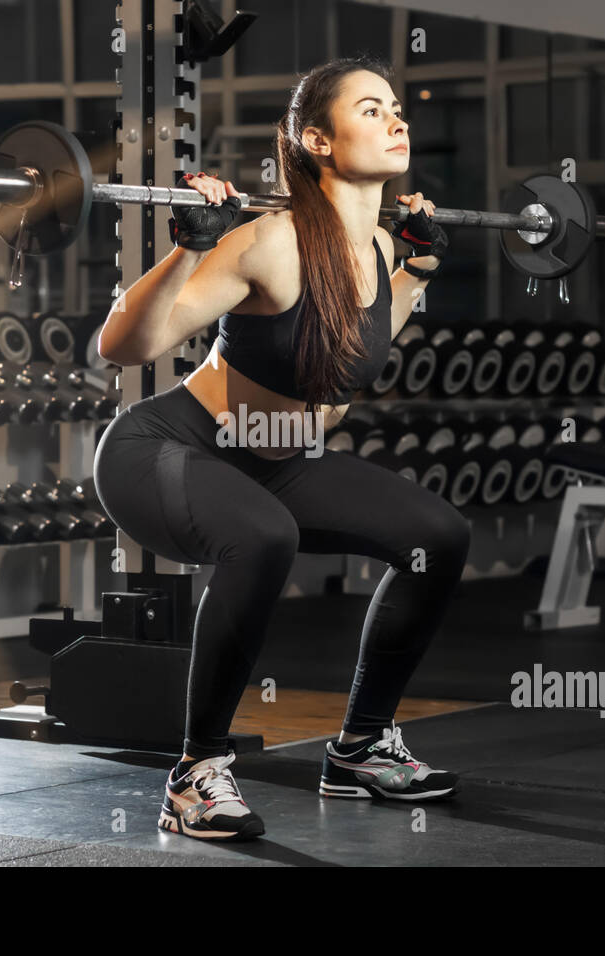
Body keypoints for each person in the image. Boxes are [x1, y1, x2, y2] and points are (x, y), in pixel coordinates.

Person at [94, 55, 472, 842]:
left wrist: (419, 267)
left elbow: (352, 357)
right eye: (371, 110)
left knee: (438, 537)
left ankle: (361, 747)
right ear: (316, 140)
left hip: (283, 457)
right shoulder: (272, 239)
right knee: (264, 535)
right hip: (169, 450)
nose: (397, 119)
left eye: (398, 107)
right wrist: (189, 250)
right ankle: (196, 774)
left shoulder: (377, 253)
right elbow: (123, 346)